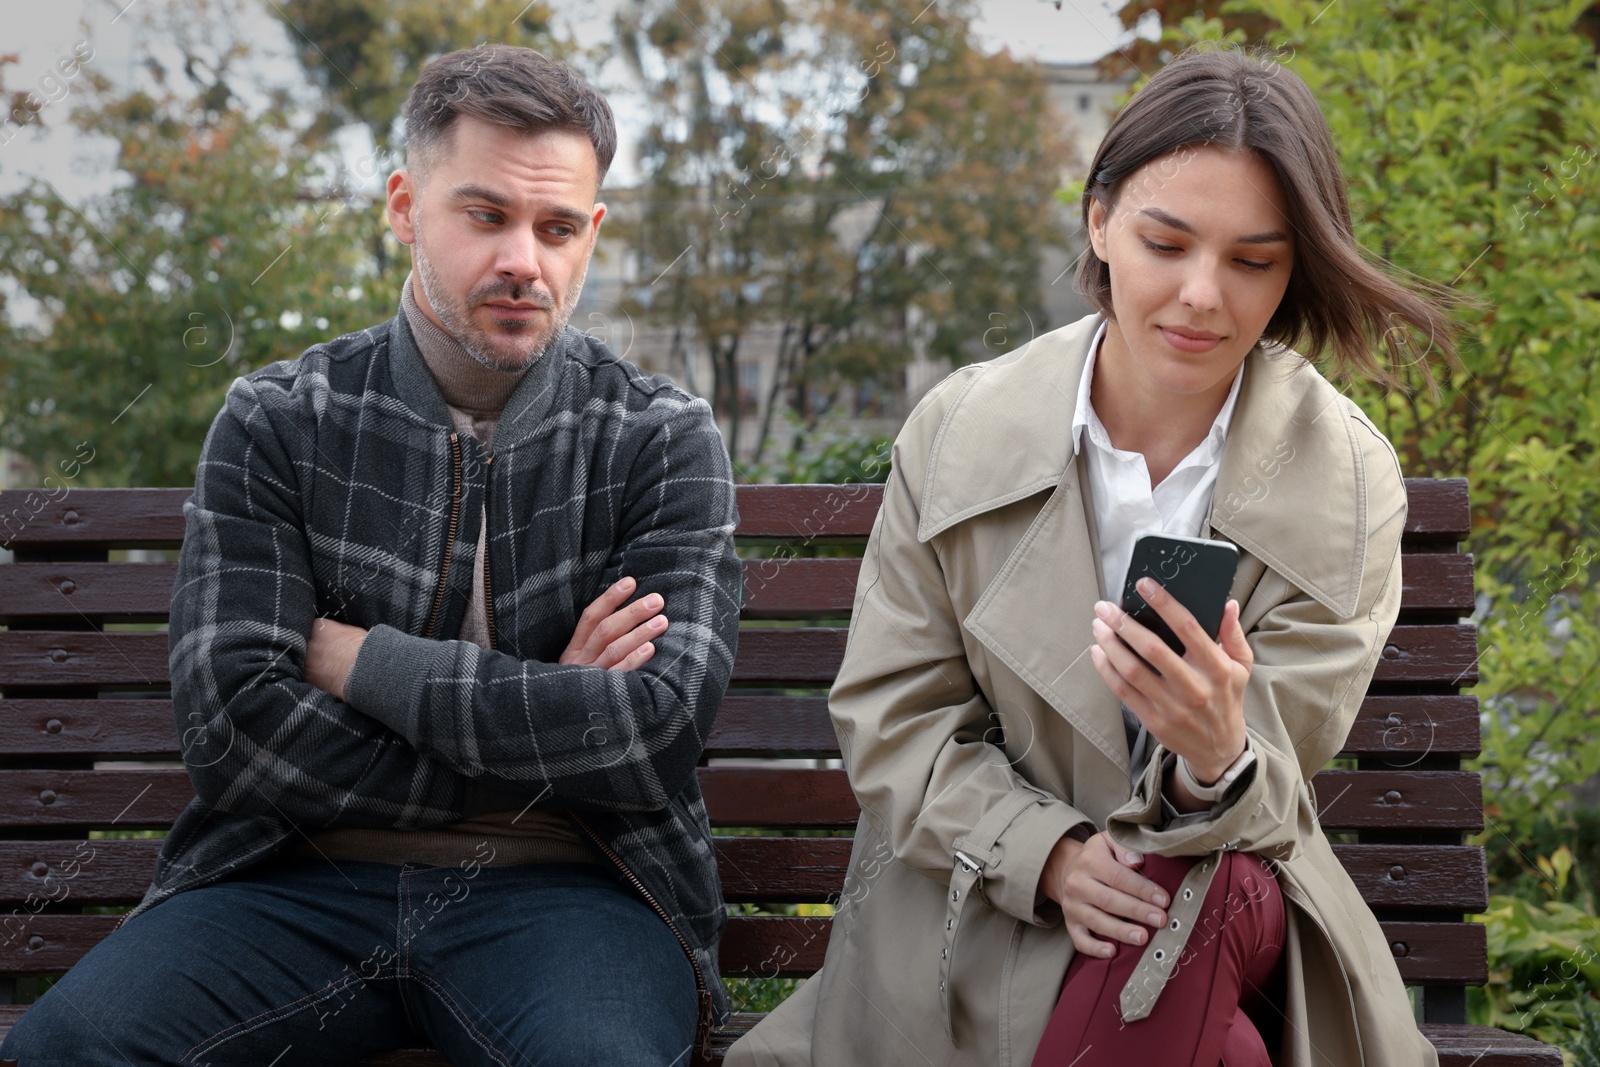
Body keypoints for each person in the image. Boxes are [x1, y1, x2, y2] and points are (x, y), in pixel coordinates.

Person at [1, 45, 740, 1067]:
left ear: (592, 234)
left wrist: (360, 663)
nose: (525, 259)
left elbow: (653, 733)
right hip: (289, 878)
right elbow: (233, 729)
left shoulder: (657, 434)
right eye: (485, 215)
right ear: (404, 205)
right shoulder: (280, 419)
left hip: (574, 890)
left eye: (557, 227)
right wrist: (541, 723)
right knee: (66, 1051)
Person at [728, 47, 1455, 1067]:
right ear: (1099, 220)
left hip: (1222, 880)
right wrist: (1055, 855)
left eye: (1253, 260)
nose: (1202, 295)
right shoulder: (959, 431)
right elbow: (896, 720)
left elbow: (1276, 775)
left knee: (1185, 894)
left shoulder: (1342, 475)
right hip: (978, 891)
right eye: (1166, 241)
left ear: (1293, 268)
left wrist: (1212, 761)